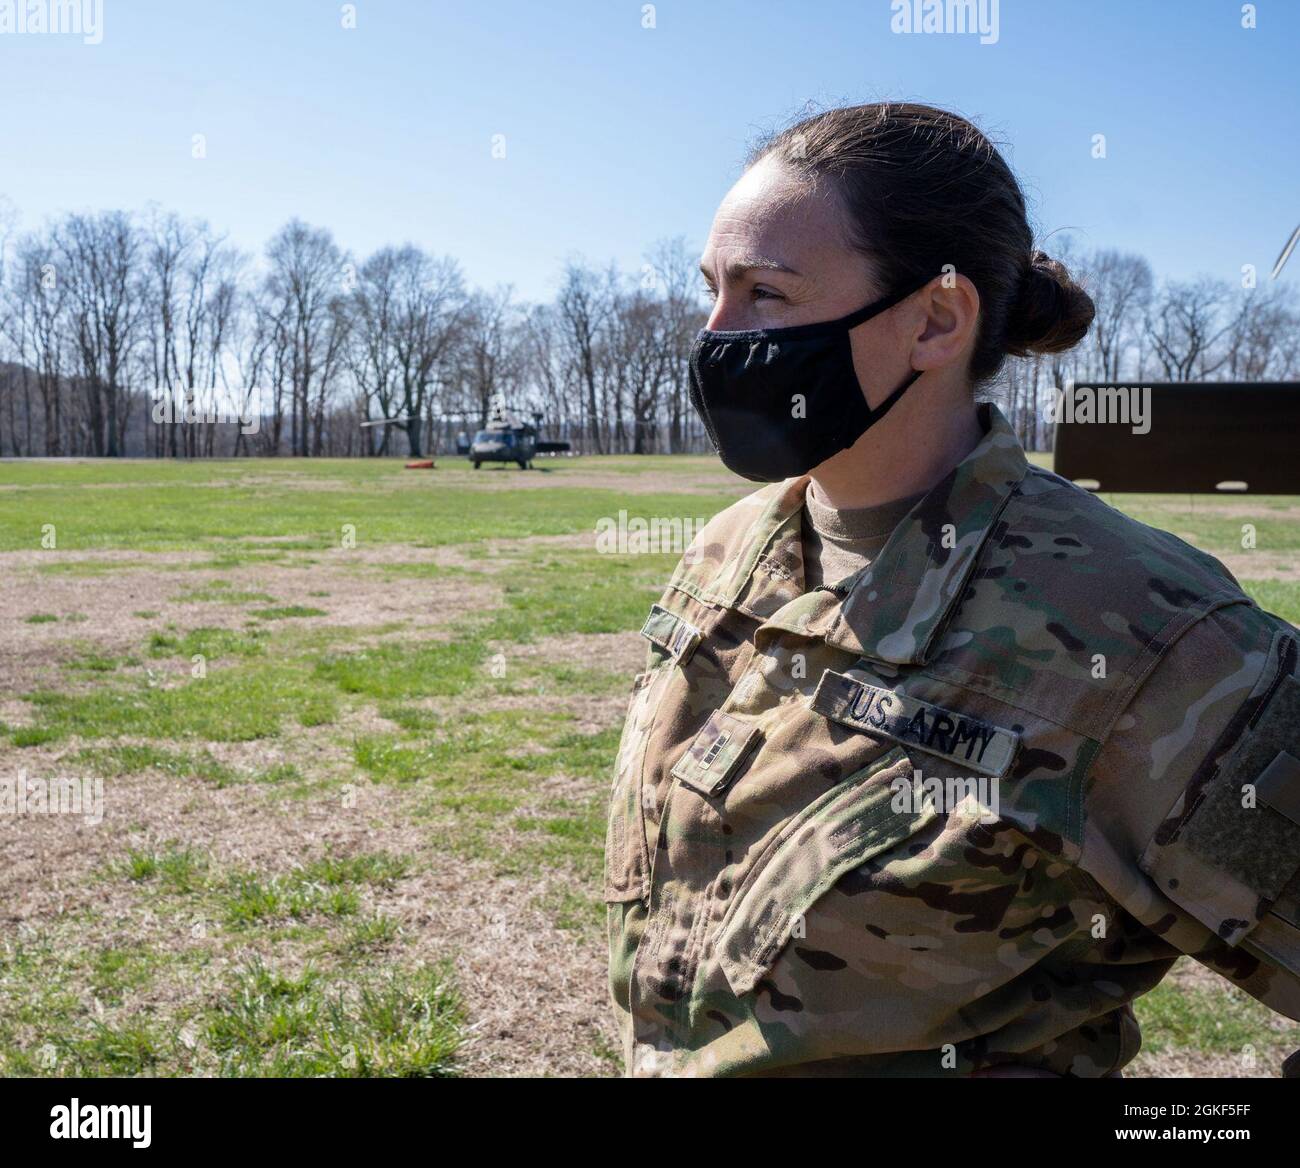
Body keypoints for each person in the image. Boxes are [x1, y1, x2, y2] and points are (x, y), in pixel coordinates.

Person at [604, 101, 1300, 1077]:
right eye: (712, 289)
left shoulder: (1143, 633)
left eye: (764, 293)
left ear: (934, 318)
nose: (716, 338)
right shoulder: (730, 548)